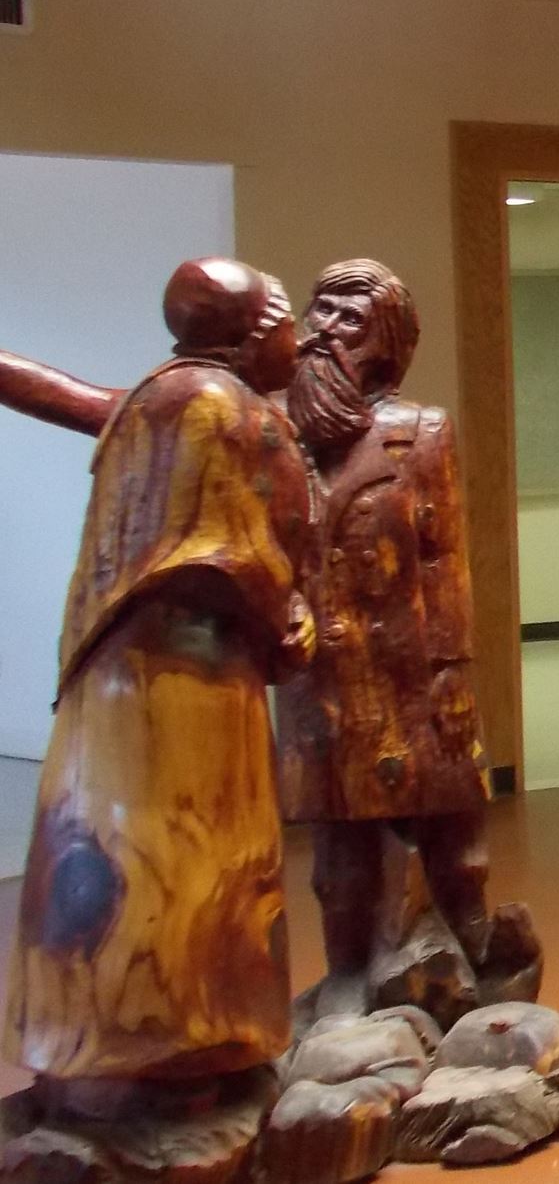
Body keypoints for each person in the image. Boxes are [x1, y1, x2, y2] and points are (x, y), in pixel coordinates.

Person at [0, 259, 315, 1103]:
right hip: (178, 685)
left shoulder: (171, 397)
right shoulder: (209, 404)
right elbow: (215, 549)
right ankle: (163, 1050)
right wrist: (283, 613)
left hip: (181, 678)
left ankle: (162, 1049)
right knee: (169, 871)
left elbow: (65, 396)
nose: (304, 336)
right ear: (253, 333)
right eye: (291, 318)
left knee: (159, 867)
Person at [274, 259, 527, 1019]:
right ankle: (351, 970)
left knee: (445, 823)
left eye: (347, 319)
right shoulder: (281, 434)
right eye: (319, 312)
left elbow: (445, 558)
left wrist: (452, 669)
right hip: (320, 675)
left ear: (385, 342)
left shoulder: (419, 433)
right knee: (338, 843)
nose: (323, 330)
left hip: (411, 669)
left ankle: (466, 957)